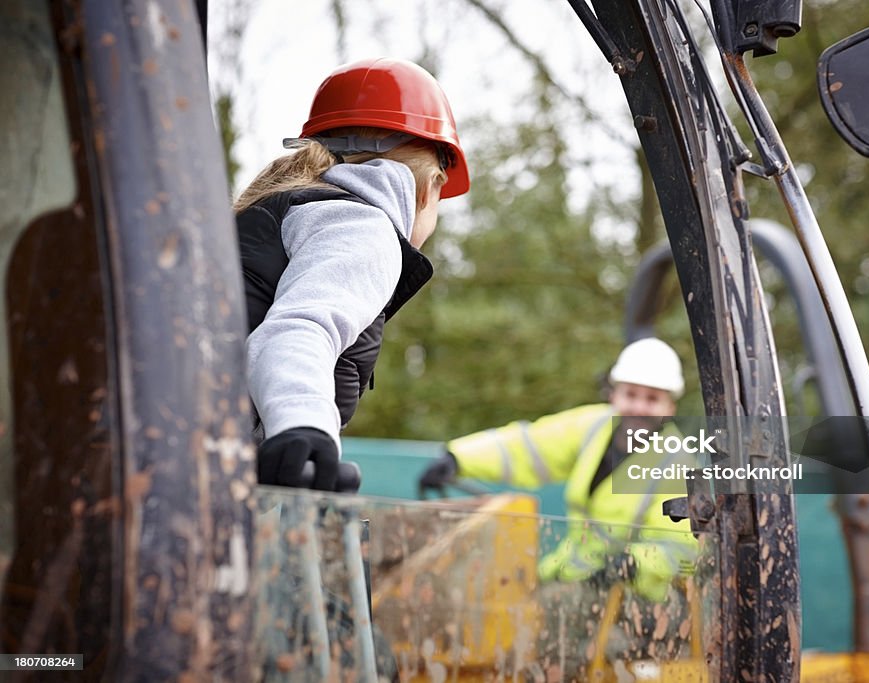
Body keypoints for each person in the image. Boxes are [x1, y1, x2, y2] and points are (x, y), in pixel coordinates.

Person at [234, 57, 469, 491]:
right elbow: (300, 328)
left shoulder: (282, 212)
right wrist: (304, 429)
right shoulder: (361, 226)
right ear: (430, 186)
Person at [418, 337, 699, 678]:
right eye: (631, 394)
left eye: (652, 398)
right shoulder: (593, 427)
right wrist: (458, 457)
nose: (638, 406)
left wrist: (633, 565)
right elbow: (528, 445)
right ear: (613, 394)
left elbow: (682, 546)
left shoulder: (677, 461)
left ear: (670, 406)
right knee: (500, 603)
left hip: (639, 598)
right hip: (573, 576)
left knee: (548, 619)